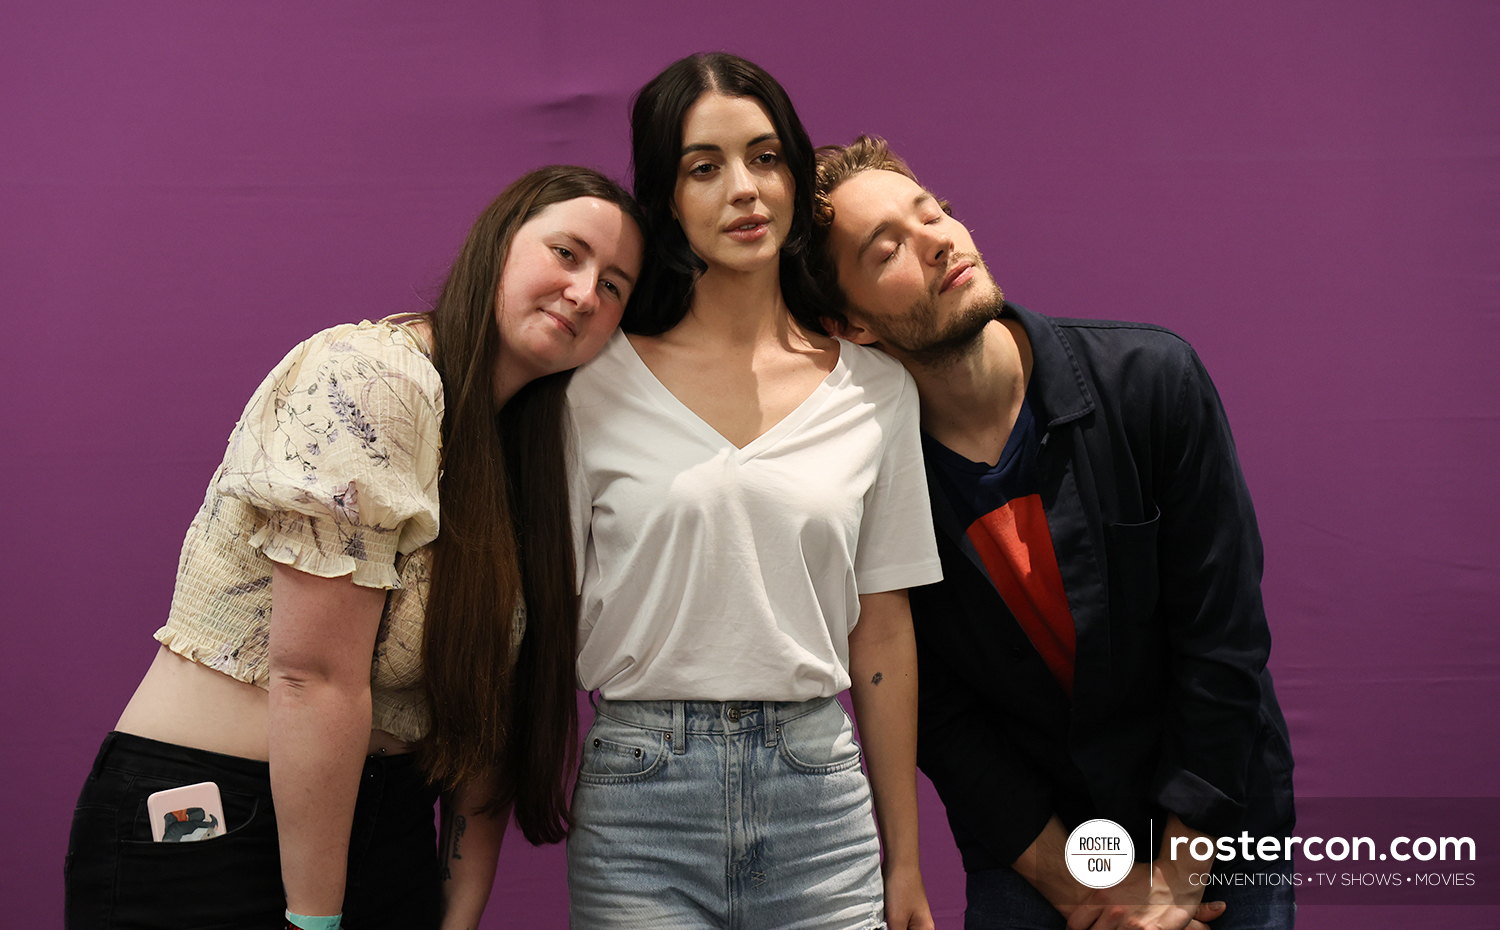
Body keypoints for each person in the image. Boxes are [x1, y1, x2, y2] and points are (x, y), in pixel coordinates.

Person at [64, 165, 645, 930]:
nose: (583, 292)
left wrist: (457, 915)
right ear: (498, 244)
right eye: (567, 253)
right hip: (212, 826)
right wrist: (314, 919)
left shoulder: (528, 461)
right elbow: (313, 677)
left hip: (389, 834)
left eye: (613, 286)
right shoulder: (377, 380)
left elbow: (486, 719)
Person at [810, 136, 1296, 930]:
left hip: (1217, 821)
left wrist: (1172, 883)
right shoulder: (867, 483)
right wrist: (1084, 894)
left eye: (931, 211)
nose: (938, 240)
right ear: (849, 323)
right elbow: (941, 719)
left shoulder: (1152, 382)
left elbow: (1224, 646)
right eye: (888, 246)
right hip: (1040, 849)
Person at [564, 55, 942, 930]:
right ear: (664, 199)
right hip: (639, 799)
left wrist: (906, 859)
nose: (744, 189)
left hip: (820, 800)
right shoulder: (591, 389)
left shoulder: (875, 393)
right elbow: (540, 614)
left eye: (766, 158)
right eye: (706, 167)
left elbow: (881, 628)